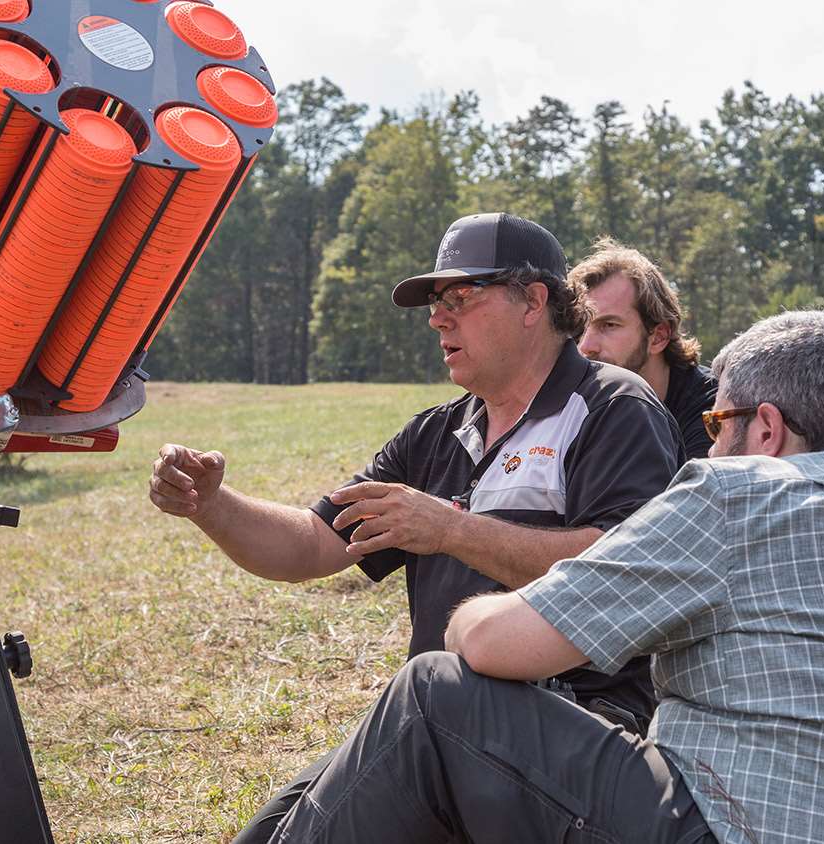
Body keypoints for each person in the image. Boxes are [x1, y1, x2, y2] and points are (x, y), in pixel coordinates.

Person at [265, 310, 824, 844]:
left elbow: (502, 648)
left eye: (715, 422)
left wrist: (464, 607)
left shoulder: (735, 491)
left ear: (764, 428)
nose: (707, 442)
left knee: (433, 694)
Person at [148, 213, 684, 842]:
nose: (438, 318)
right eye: (436, 304)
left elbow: (621, 574)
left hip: (573, 728)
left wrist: (450, 529)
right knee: (272, 831)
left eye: (461, 298)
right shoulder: (434, 434)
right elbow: (313, 543)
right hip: (441, 722)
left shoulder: (612, 407)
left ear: (533, 301)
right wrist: (211, 504)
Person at [573, 238, 716, 458]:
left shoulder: (713, 410)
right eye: (581, 328)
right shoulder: (575, 404)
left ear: (659, 336)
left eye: (609, 325)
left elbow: (695, 490)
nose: (586, 346)